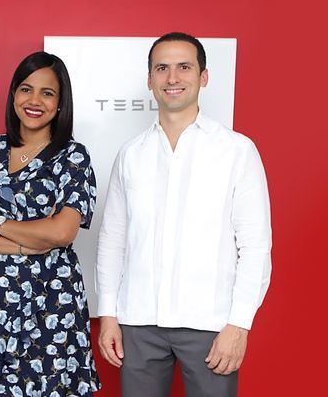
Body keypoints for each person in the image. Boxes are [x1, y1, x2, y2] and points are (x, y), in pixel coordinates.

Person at [96, 32, 272, 397]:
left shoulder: (237, 151)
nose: (172, 78)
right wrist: (108, 314)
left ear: (203, 77)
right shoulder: (131, 155)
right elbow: (112, 240)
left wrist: (239, 325)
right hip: (138, 321)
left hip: (210, 324)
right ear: (150, 80)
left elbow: (255, 247)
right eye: (162, 68)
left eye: (184, 67)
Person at [0, 51, 101, 396]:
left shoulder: (72, 157)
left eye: (47, 93)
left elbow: (62, 232)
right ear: (13, 94)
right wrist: (33, 240)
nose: (35, 101)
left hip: (53, 303)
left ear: (61, 103)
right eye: (26, 89)